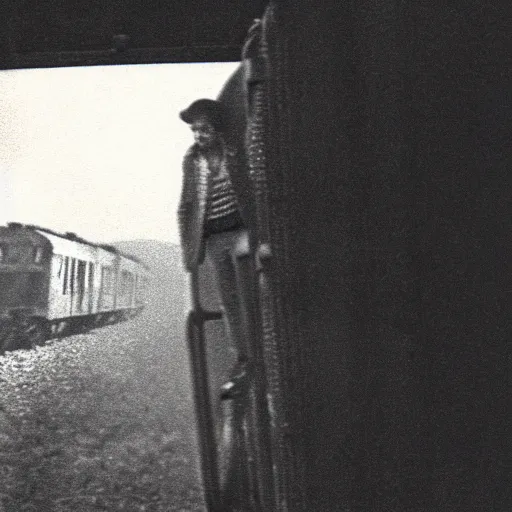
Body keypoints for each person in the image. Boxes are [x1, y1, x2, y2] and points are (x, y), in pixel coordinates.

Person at [178, 98, 248, 365]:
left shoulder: (234, 149)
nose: (199, 136)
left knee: (250, 291)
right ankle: (243, 359)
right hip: (216, 239)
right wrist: (189, 251)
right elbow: (185, 206)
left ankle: (261, 352)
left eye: (204, 129)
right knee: (229, 300)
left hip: (242, 232)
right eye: (195, 130)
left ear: (216, 129)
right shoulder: (192, 160)